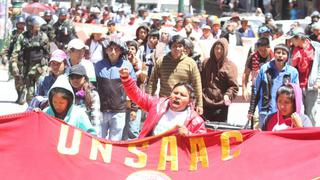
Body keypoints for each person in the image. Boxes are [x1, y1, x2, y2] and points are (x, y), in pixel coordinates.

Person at [119, 67, 207, 138]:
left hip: (175, 158)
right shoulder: (157, 104)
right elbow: (137, 96)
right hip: (150, 153)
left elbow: (203, 142)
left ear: (190, 101)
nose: (177, 96)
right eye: (175, 93)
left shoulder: (196, 121)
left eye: (182, 95)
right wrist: (126, 79)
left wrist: (189, 134)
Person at [147, 35, 203, 115]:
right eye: (174, 46)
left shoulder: (191, 63)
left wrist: (199, 104)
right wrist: (148, 100)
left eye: (180, 46)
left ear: (183, 48)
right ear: (170, 47)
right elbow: (152, 82)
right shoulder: (161, 61)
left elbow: (197, 84)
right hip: (164, 104)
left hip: (183, 105)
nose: (177, 49)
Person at [248, 44, 299, 128]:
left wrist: (296, 112)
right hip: (265, 112)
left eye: (284, 53)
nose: (280, 55)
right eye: (278, 52)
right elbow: (256, 90)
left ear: (287, 56)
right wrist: (251, 110)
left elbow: (296, 95)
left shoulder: (292, 72)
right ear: (274, 54)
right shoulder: (264, 69)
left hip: (284, 113)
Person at [95, 38, 136, 141]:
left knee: (115, 141)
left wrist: (134, 108)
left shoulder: (127, 66)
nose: (113, 52)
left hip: (119, 110)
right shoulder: (98, 65)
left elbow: (133, 89)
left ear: (121, 51)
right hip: (101, 110)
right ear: (106, 50)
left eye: (116, 49)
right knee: (98, 139)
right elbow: (92, 86)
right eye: (110, 49)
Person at [11, 15, 50, 104]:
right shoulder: (22, 37)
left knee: (43, 90)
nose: (38, 26)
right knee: (30, 94)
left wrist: (47, 65)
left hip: (41, 68)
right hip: (28, 68)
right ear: (30, 26)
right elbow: (15, 52)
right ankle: (31, 110)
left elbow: (47, 52)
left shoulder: (43, 36)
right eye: (36, 25)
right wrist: (14, 65)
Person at [287, 28, 320, 126]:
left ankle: (311, 136)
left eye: (292, 39)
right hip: (297, 86)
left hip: (311, 86)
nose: (291, 41)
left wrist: (318, 81)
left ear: (298, 38)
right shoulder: (292, 49)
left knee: (311, 114)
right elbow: (289, 67)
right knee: (298, 113)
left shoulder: (316, 48)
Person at [201, 38, 239, 122]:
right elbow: (199, 82)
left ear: (225, 50)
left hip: (221, 104)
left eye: (221, 49)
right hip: (205, 103)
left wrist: (227, 96)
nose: (218, 51)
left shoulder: (230, 66)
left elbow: (233, 86)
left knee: (219, 131)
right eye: (216, 48)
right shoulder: (205, 63)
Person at [68, 64, 101, 137]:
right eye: (72, 77)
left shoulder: (93, 94)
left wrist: (94, 137)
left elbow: (95, 119)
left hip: (87, 134)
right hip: (70, 133)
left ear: (85, 78)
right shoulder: (67, 94)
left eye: (78, 76)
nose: (74, 79)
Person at [242, 37, 274, 101]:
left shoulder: (274, 57)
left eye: (265, 50)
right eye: (260, 50)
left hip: (272, 88)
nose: (262, 53)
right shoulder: (252, 57)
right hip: (257, 88)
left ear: (269, 47)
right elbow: (246, 73)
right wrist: (244, 89)